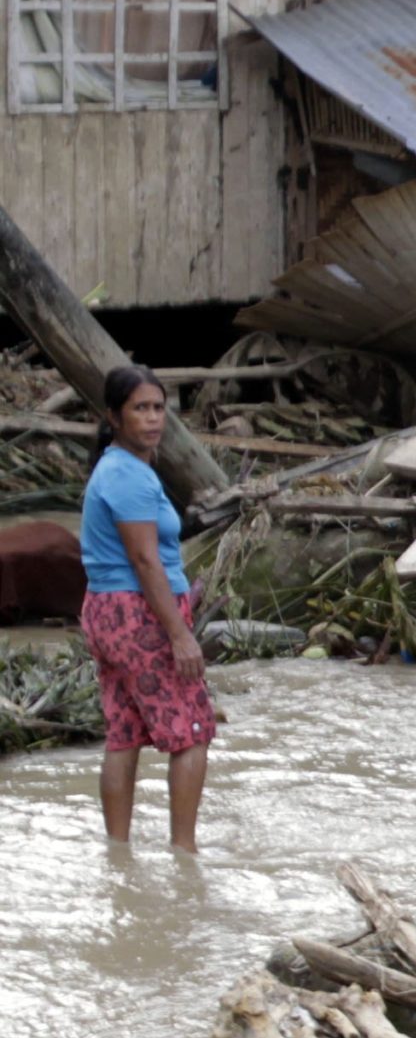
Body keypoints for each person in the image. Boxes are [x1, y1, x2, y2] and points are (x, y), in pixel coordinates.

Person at [80, 365, 212, 853]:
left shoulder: (117, 469)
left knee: (124, 733)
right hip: (140, 615)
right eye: (141, 409)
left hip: (109, 615)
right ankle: (185, 854)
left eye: (159, 408)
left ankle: (118, 852)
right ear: (114, 416)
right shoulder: (128, 477)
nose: (153, 419)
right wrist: (180, 634)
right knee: (192, 731)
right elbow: (144, 560)